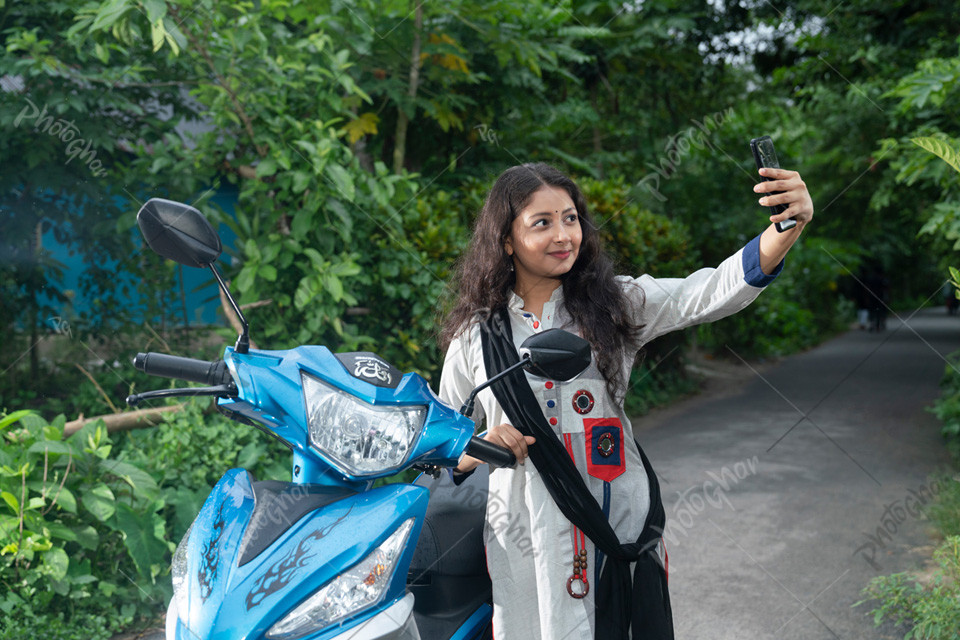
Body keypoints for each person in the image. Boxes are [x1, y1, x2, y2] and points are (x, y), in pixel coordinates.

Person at [437, 162, 814, 640]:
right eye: (542, 222)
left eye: (570, 218)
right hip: (523, 534)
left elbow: (709, 291)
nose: (563, 235)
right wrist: (479, 445)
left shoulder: (615, 304)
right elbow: (444, 442)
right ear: (506, 240)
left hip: (619, 526)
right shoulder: (476, 336)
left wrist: (787, 227)